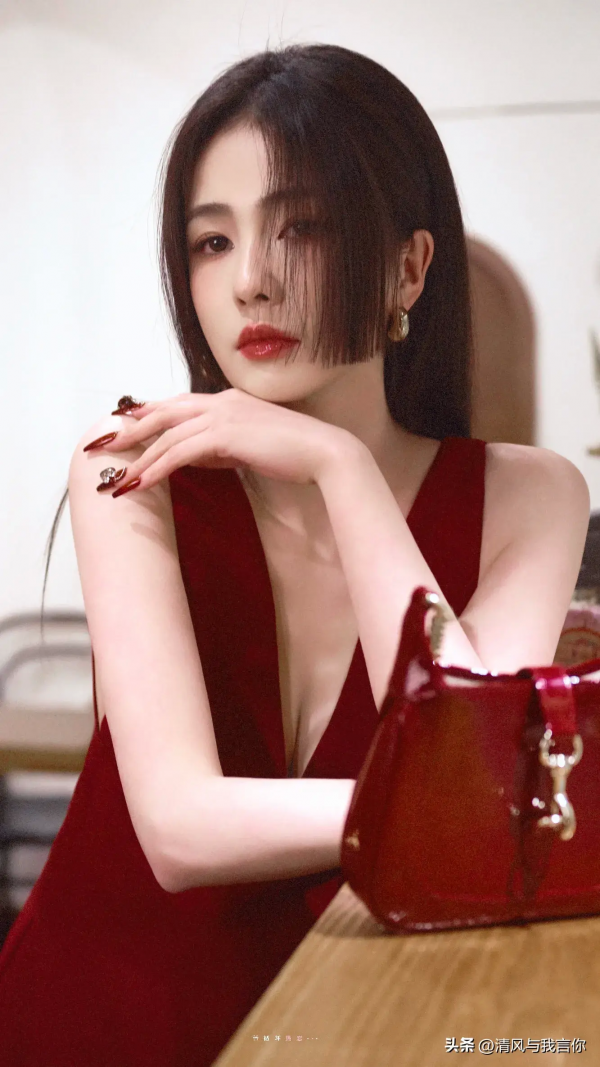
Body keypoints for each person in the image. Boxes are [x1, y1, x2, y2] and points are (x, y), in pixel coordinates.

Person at [0, 42, 590, 1067]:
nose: (252, 281)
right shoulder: (128, 470)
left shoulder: (533, 495)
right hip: (100, 1017)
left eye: (302, 227)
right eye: (212, 240)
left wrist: (340, 468)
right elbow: (181, 830)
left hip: (353, 1018)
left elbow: (472, 757)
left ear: (409, 267)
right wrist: (450, 814)